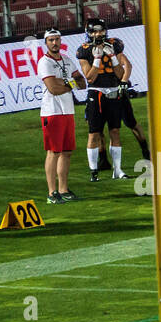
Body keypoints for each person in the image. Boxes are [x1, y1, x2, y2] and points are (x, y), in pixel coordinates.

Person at [76, 19, 128, 182]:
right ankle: (93, 171)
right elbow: (89, 78)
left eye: (101, 31)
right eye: (94, 31)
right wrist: (97, 59)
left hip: (113, 90)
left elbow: (120, 75)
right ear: (88, 33)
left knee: (115, 131)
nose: (98, 34)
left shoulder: (114, 44)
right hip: (96, 91)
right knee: (94, 133)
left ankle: (117, 170)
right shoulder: (84, 50)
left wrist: (112, 57)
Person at [38, 30, 84, 204]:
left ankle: (63, 189)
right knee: (54, 152)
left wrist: (65, 83)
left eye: (57, 39)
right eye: (51, 40)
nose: (54, 43)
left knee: (66, 152)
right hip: (52, 112)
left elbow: (82, 83)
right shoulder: (44, 62)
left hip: (67, 111)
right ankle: (51, 193)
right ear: (46, 42)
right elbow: (53, 89)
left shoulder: (66, 60)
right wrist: (69, 84)